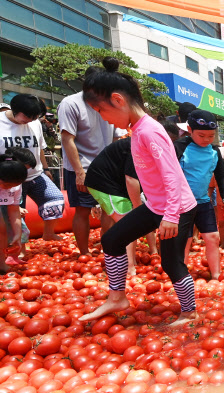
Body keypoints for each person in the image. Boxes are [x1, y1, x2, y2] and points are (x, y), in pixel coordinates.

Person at [79, 57, 198, 327]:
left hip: (176, 208)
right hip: (156, 205)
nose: (103, 117)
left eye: (101, 111)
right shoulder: (137, 130)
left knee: (172, 262)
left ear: (118, 101)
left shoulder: (149, 132)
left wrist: (170, 216)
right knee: (112, 240)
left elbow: (171, 174)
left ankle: (190, 312)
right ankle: (117, 297)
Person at [0, 93, 63, 241]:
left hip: (35, 174)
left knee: (55, 198)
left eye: (35, 118)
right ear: (14, 110)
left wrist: (45, 169)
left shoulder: (35, 123)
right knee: (14, 215)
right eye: (27, 117)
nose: (30, 121)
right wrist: (6, 160)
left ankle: (48, 233)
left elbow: (40, 147)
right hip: (9, 179)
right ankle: (17, 248)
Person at [58, 66, 118, 255]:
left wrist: (114, 165)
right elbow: (68, 139)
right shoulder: (70, 103)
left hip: (107, 167)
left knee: (110, 209)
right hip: (82, 166)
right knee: (83, 210)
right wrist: (79, 173)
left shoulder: (111, 103)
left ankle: (107, 247)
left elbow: (116, 137)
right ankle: (84, 253)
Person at [84, 137, 158, 275]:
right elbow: (131, 179)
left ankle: (130, 263)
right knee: (128, 225)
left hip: (116, 186)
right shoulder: (140, 147)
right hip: (105, 184)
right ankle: (128, 268)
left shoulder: (146, 147)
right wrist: (138, 208)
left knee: (130, 223)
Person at [173, 110, 224, 281]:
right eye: (201, 135)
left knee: (213, 238)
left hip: (203, 202)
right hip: (182, 204)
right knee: (185, 241)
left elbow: (220, 175)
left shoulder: (214, 151)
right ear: (189, 130)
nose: (206, 140)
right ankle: (181, 278)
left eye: (211, 136)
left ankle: (216, 276)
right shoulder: (179, 147)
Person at [0, 149, 30, 274]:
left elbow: (14, 210)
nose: (10, 188)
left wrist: (17, 234)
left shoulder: (14, 183)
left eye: (14, 185)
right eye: (7, 185)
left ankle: (0, 264)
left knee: (1, 231)